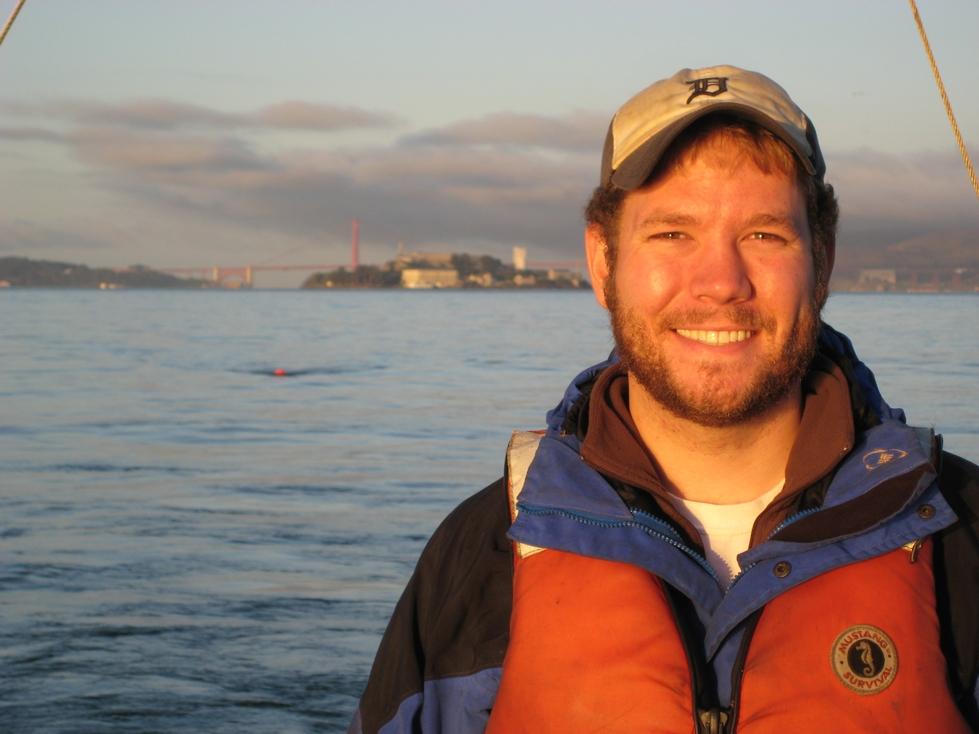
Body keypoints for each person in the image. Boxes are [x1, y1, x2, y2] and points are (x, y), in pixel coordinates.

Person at [348, 65, 979, 733]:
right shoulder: (484, 555)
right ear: (602, 263)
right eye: (672, 233)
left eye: (763, 235)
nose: (720, 282)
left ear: (820, 263)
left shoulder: (958, 536)